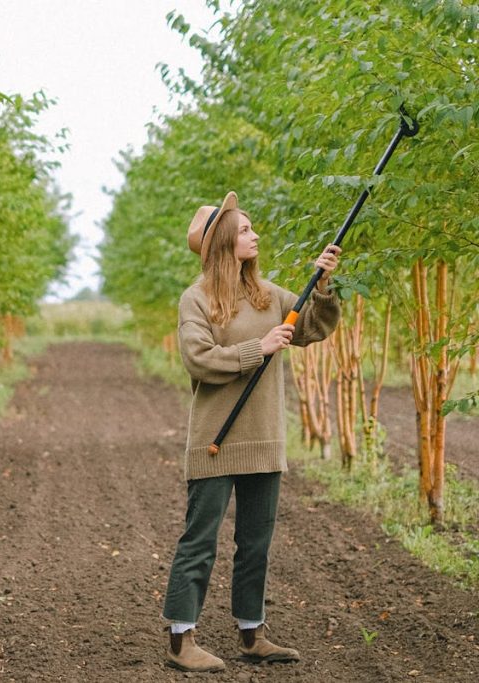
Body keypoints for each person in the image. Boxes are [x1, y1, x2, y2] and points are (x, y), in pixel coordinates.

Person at [162, 191, 341, 673]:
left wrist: (323, 285)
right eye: (244, 229)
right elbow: (197, 359)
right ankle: (181, 640)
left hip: (264, 439)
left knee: (256, 541)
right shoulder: (196, 299)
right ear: (223, 242)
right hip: (215, 441)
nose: (254, 235)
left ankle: (252, 633)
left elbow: (313, 326)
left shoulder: (269, 296)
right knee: (200, 541)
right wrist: (256, 349)